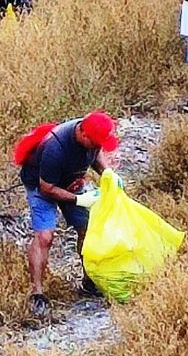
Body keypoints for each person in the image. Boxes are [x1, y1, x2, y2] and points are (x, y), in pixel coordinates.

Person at [17, 110, 121, 318]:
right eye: (94, 142)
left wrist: (108, 173)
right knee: (45, 237)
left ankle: (90, 281)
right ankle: (37, 293)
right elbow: (46, 188)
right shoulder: (55, 147)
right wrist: (79, 200)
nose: (97, 146)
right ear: (83, 134)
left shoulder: (90, 137)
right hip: (41, 186)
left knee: (88, 229)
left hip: (70, 183)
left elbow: (96, 152)